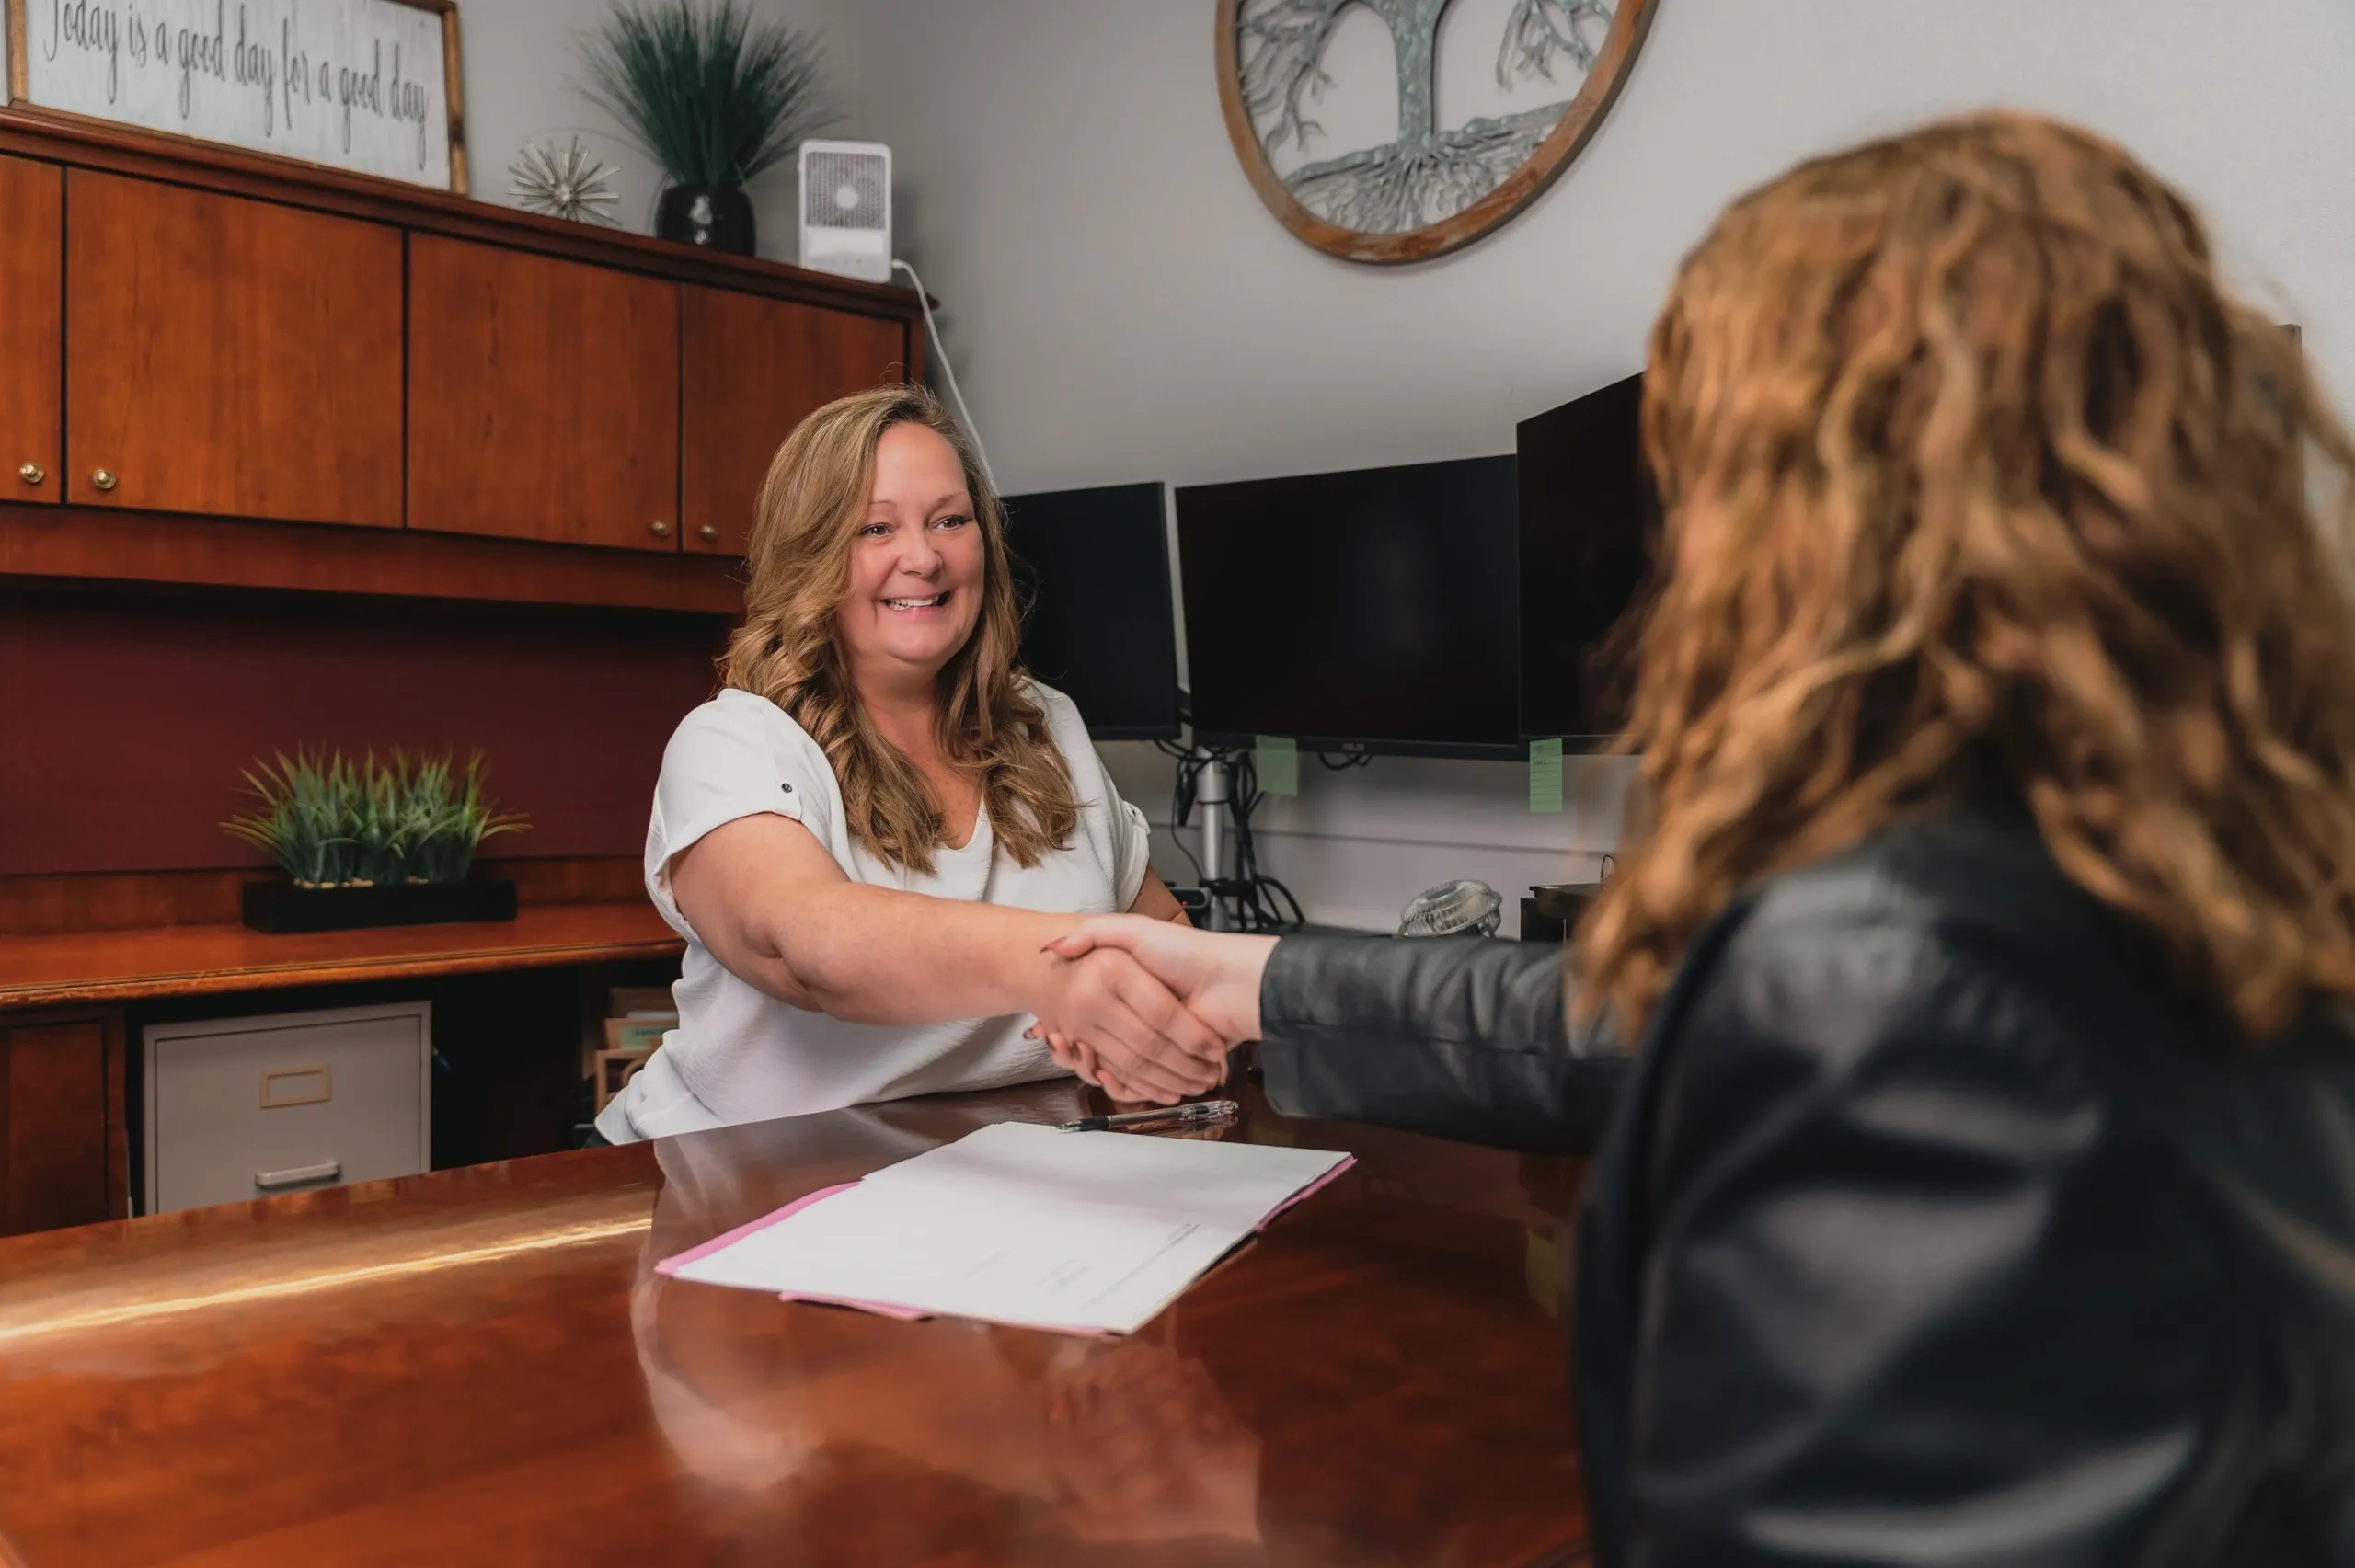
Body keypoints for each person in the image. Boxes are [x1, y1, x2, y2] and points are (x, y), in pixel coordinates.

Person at [1042, 112, 2355, 1564]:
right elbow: (1679, 1019)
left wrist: (1287, 1531)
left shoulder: (1891, 980)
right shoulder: (2209, 861)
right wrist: (1264, 981)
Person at [596, 385, 1225, 1144]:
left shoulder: (1046, 721)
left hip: (1002, 1160)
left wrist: (1203, 1020)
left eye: (950, 520)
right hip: (733, 1170)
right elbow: (816, 949)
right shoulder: (734, 741)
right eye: (875, 527)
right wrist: (1060, 972)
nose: (922, 557)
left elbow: (1160, 929)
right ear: (812, 555)